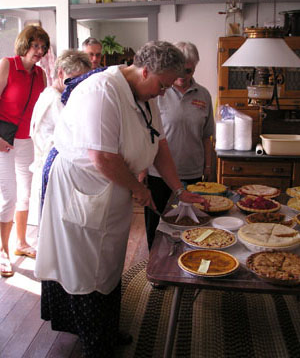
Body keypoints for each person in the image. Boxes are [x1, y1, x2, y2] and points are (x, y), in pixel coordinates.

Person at [34, 40, 208, 358]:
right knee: (86, 269)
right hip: (82, 188)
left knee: (111, 264)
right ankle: (93, 343)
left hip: (112, 186)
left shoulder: (146, 94)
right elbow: (102, 157)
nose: (164, 91)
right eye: (162, 84)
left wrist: (180, 190)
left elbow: (161, 146)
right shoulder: (101, 92)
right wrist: (140, 190)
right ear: (144, 70)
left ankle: (106, 330)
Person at [144, 41, 215, 250]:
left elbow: (207, 136)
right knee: (156, 224)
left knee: (192, 225)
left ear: (196, 66)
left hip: (192, 173)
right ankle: (155, 267)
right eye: (179, 69)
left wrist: (208, 167)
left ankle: (186, 262)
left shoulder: (203, 95)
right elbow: (146, 134)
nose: (183, 74)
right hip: (158, 175)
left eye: (189, 69)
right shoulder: (157, 94)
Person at [0, 25, 50, 277]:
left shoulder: (40, 74)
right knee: (7, 197)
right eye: (35, 45)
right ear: (24, 44)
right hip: (3, 142)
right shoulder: (7, 64)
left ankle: (21, 243)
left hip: (28, 142)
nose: (39, 51)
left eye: (43, 47)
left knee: (25, 195)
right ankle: (3, 252)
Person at [29, 49, 92, 224]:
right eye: (75, 78)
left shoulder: (55, 95)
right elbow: (74, 136)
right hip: (51, 169)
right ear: (60, 73)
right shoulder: (55, 100)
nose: (79, 84)